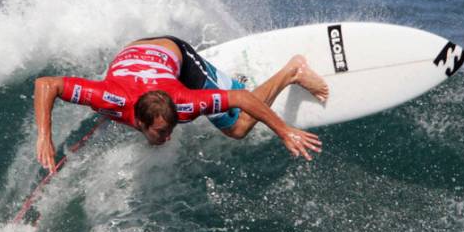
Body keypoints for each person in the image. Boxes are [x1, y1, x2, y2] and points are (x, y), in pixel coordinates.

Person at [34, 35, 328, 172]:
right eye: (161, 131)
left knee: (237, 128)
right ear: (139, 120)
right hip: (135, 53)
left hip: (175, 55)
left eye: (169, 128)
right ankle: (223, 79)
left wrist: (284, 131)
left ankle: (292, 71)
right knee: (106, 111)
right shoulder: (109, 99)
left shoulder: (185, 104)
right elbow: (46, 84)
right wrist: (44, 137)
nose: (169, 136)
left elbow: (242, 99)